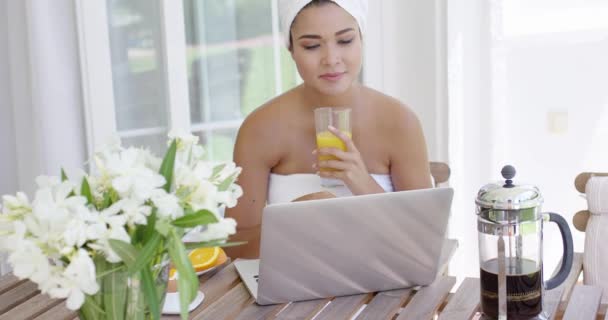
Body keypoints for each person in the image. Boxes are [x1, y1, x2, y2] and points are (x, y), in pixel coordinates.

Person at [224, 0, 432, 259]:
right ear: (291, 49)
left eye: (345, 41)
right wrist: (292, 221)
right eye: (311, 45)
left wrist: (362, 183)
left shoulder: (400, 121)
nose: (331, 60)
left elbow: (425, 243)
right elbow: (233, 245)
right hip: (294, 290)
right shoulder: (260, 129)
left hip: (386, 289)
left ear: (361, 39)